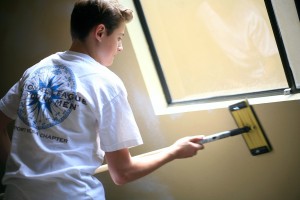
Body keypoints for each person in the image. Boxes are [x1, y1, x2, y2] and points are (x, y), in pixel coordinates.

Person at [0, 0, 204, 199]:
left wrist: (21, 167)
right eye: (119, 38)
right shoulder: (106, 83)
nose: (120, 47)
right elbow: (123, 173)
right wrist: (175, 151)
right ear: (100, 33)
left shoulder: (36, 70)